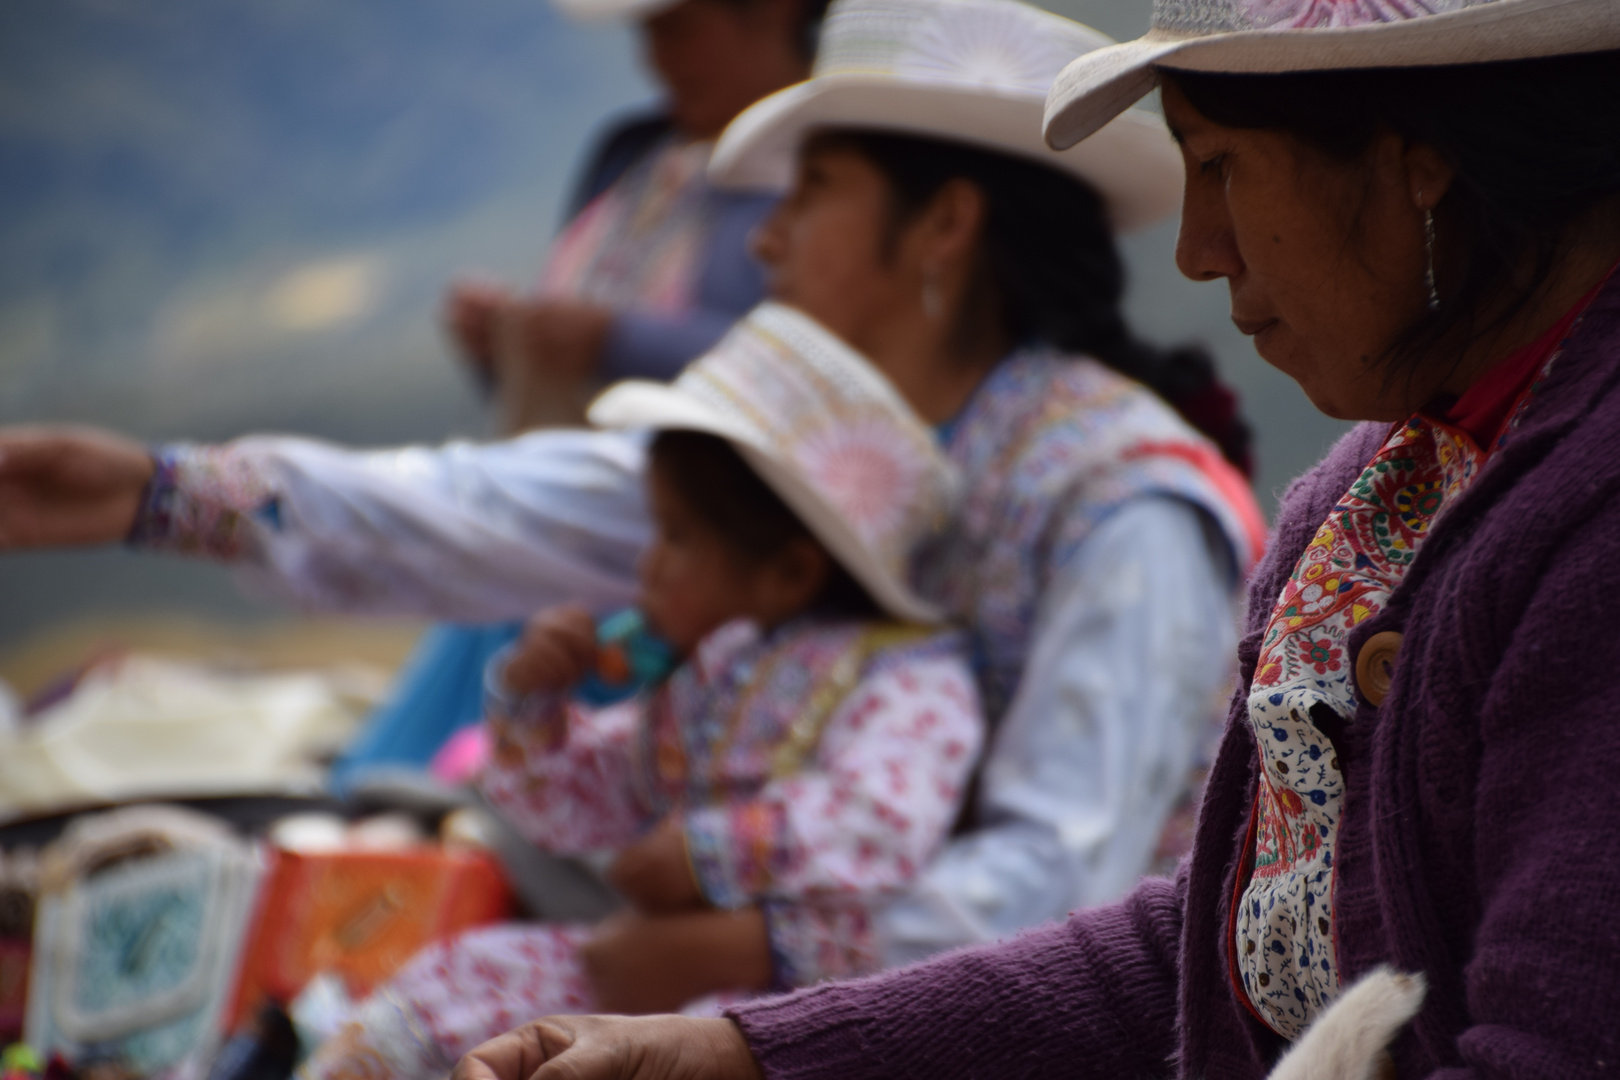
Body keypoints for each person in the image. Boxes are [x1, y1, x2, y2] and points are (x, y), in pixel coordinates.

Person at [444, 1, 1620, 1077]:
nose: (1198, 249)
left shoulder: (1574, 523)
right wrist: (742, 1053)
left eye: (1221, 164)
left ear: (1417, 163)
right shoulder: (1386, 480)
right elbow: (1219, 932)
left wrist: (750, 964)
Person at [0, 0, 1264, 981]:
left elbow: (1063, 879)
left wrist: (752, 956)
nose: (765, 240)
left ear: (943, 227)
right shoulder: (819, 445)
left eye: (810, 192)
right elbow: (499, 507)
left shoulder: (1123, 505)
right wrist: (154, 494)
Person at [299, 303, 982, 1080]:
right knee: (453, 980)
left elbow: (880, 821)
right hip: (652, 971)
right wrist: (532, 709)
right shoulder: (714, 672)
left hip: (804, 1006)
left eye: (679, 537)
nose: (650, 567)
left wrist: (705, 852)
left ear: (790, 569)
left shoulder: (910, 679)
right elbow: (605, 795)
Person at [343, 0, 829, 787]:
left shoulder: (823, 173)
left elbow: (805, 363)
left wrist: (617, 338)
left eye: (676, 27)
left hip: (686, 549)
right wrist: (503, 348)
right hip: (565, 513)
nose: (656, 57)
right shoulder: (632, 154)